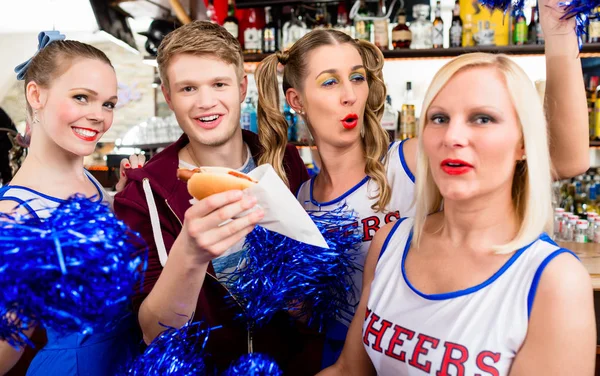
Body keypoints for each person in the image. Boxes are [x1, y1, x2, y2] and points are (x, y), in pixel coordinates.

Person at [255, 0, 589, 366]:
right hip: (355, 352)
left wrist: (559, 34)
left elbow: (566, 160)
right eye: (330, 82)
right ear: (296, 101)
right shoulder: (303, 200)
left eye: (357, 77)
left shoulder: (410, 159)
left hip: (443, 347)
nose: (349, 95)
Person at [319, 51, 595, 376]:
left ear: (523, 143)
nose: (452, 137)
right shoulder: (391, 241)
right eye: (439, 118)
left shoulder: (554, 280)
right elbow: (350, 370)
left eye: (482, 118)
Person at [113, 21, 318, 374]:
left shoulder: (284, 162)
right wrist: (190, 255)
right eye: (188, 88)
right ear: (168, 96)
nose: (205, 103)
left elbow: (311, 298)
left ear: (241, 88)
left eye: (219, 84)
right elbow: (153, 332)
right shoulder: (142, 194)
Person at [0, 32, 141, 375]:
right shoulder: (14, 216)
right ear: (36, 95)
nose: (99, 116)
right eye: (82, 97)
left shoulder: (88, 180)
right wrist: (35, 286)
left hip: (125, 358)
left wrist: (120, 200)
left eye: (108, 103)